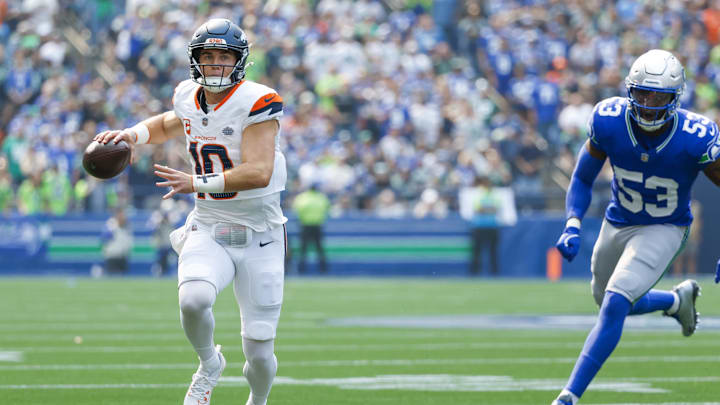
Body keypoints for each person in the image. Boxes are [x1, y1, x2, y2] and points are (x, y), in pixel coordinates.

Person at [94, 18, 286, 405]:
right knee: (193, 300)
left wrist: (195, 182)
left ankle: (258, 401)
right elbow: (169, 124)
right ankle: (209, 363)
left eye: (223, 57)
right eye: (208, 56)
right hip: (210, 225)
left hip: (259, 234)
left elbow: (259, 172)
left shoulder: (258, 101)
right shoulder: (187, 94)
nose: (215, 65)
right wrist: (131, 134)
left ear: (239, 61)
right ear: (196, 59)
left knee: (260, 354)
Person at [551, 49, 720, 405]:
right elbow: (582, 176)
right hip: (618, 221)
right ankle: (676, 301)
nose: (647, 102)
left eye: (657, 95)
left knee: (614, 302)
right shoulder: (609, 119)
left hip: (664, 227)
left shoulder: (697, 135)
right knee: (606, 301)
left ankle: (568, 396)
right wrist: (572, 222)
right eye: (641, 92)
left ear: (675, 98)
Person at [291, 183, 330, 274]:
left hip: (305, 225)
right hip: (317, 225)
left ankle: (302, 270)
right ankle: (323, 270)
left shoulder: (301, 198)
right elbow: (327, 209)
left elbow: (296, 210)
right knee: (320, 249)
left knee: (303, 249)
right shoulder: (322, 197)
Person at [468, 176, 501, 276]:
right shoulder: (478, 194)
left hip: (492, 226)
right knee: (476, 252)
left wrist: (485, 209)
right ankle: (475, 273)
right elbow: (478, 209)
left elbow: (496, 209)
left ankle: (494, 273)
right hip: (479, 226)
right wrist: (489, 209)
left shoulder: (494, 195)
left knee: (493, 252)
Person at [100, 208, 133, 275]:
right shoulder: (110, 224)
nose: (122, 216)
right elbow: (104, 239)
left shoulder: (128, 225)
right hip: (112, 256)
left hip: (123, 256)